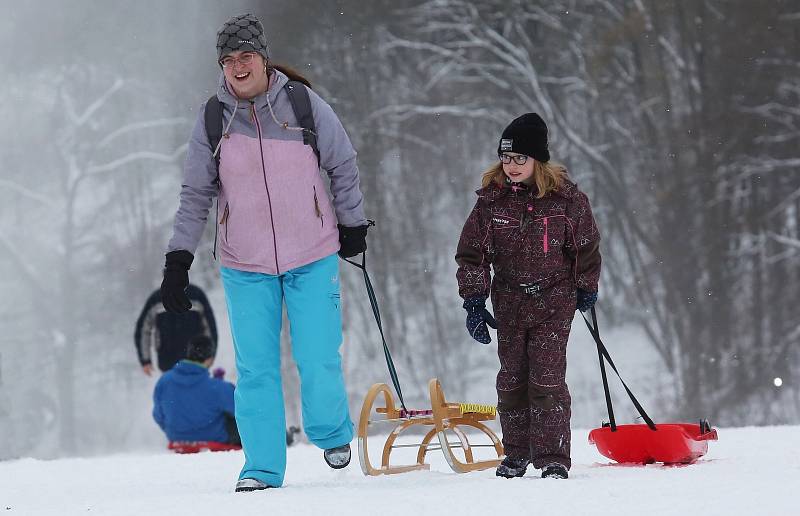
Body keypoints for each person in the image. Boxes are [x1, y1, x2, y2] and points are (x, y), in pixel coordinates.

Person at [160, 13, 369, 492]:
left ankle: (331, 432)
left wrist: (352, 221)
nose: (238, 66)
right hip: (245, 264)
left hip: (312, 252)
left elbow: (342, 164)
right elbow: (195, 194)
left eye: (246, 56)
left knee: (317, 356)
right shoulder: (213, 119)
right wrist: (179, 259)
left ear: (263, 57)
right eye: (228, 59)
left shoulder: (302, 105)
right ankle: (262, 466)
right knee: (255, 369)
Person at [455, 113, 601, 480]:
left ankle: (553, 457)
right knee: (512, 379)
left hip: (554, 299)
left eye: (520, 158)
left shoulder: (566, 201)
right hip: (509, 301)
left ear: (538, 159)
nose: (512, 166)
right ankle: (516, 454)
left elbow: (586, 245)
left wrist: (586, 285)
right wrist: (474, 302)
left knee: (547, 378)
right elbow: (472, 253)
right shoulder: (491, 203)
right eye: (506, 158)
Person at [152, 335, 239, 446]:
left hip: (176, 438)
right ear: (210, 359)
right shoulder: (217, 387)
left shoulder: (164, 381)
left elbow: (158, 415)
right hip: (214, 438)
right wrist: (223, 386)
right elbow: (240, 408)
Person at [134, 283, 218, 375]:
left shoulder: (158, 297)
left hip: (180, 361)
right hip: (191, 361)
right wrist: (145, 360)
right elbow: (143, 329)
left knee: (173, 387)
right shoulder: (196, 294)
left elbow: (210, 327)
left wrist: (145, 360)